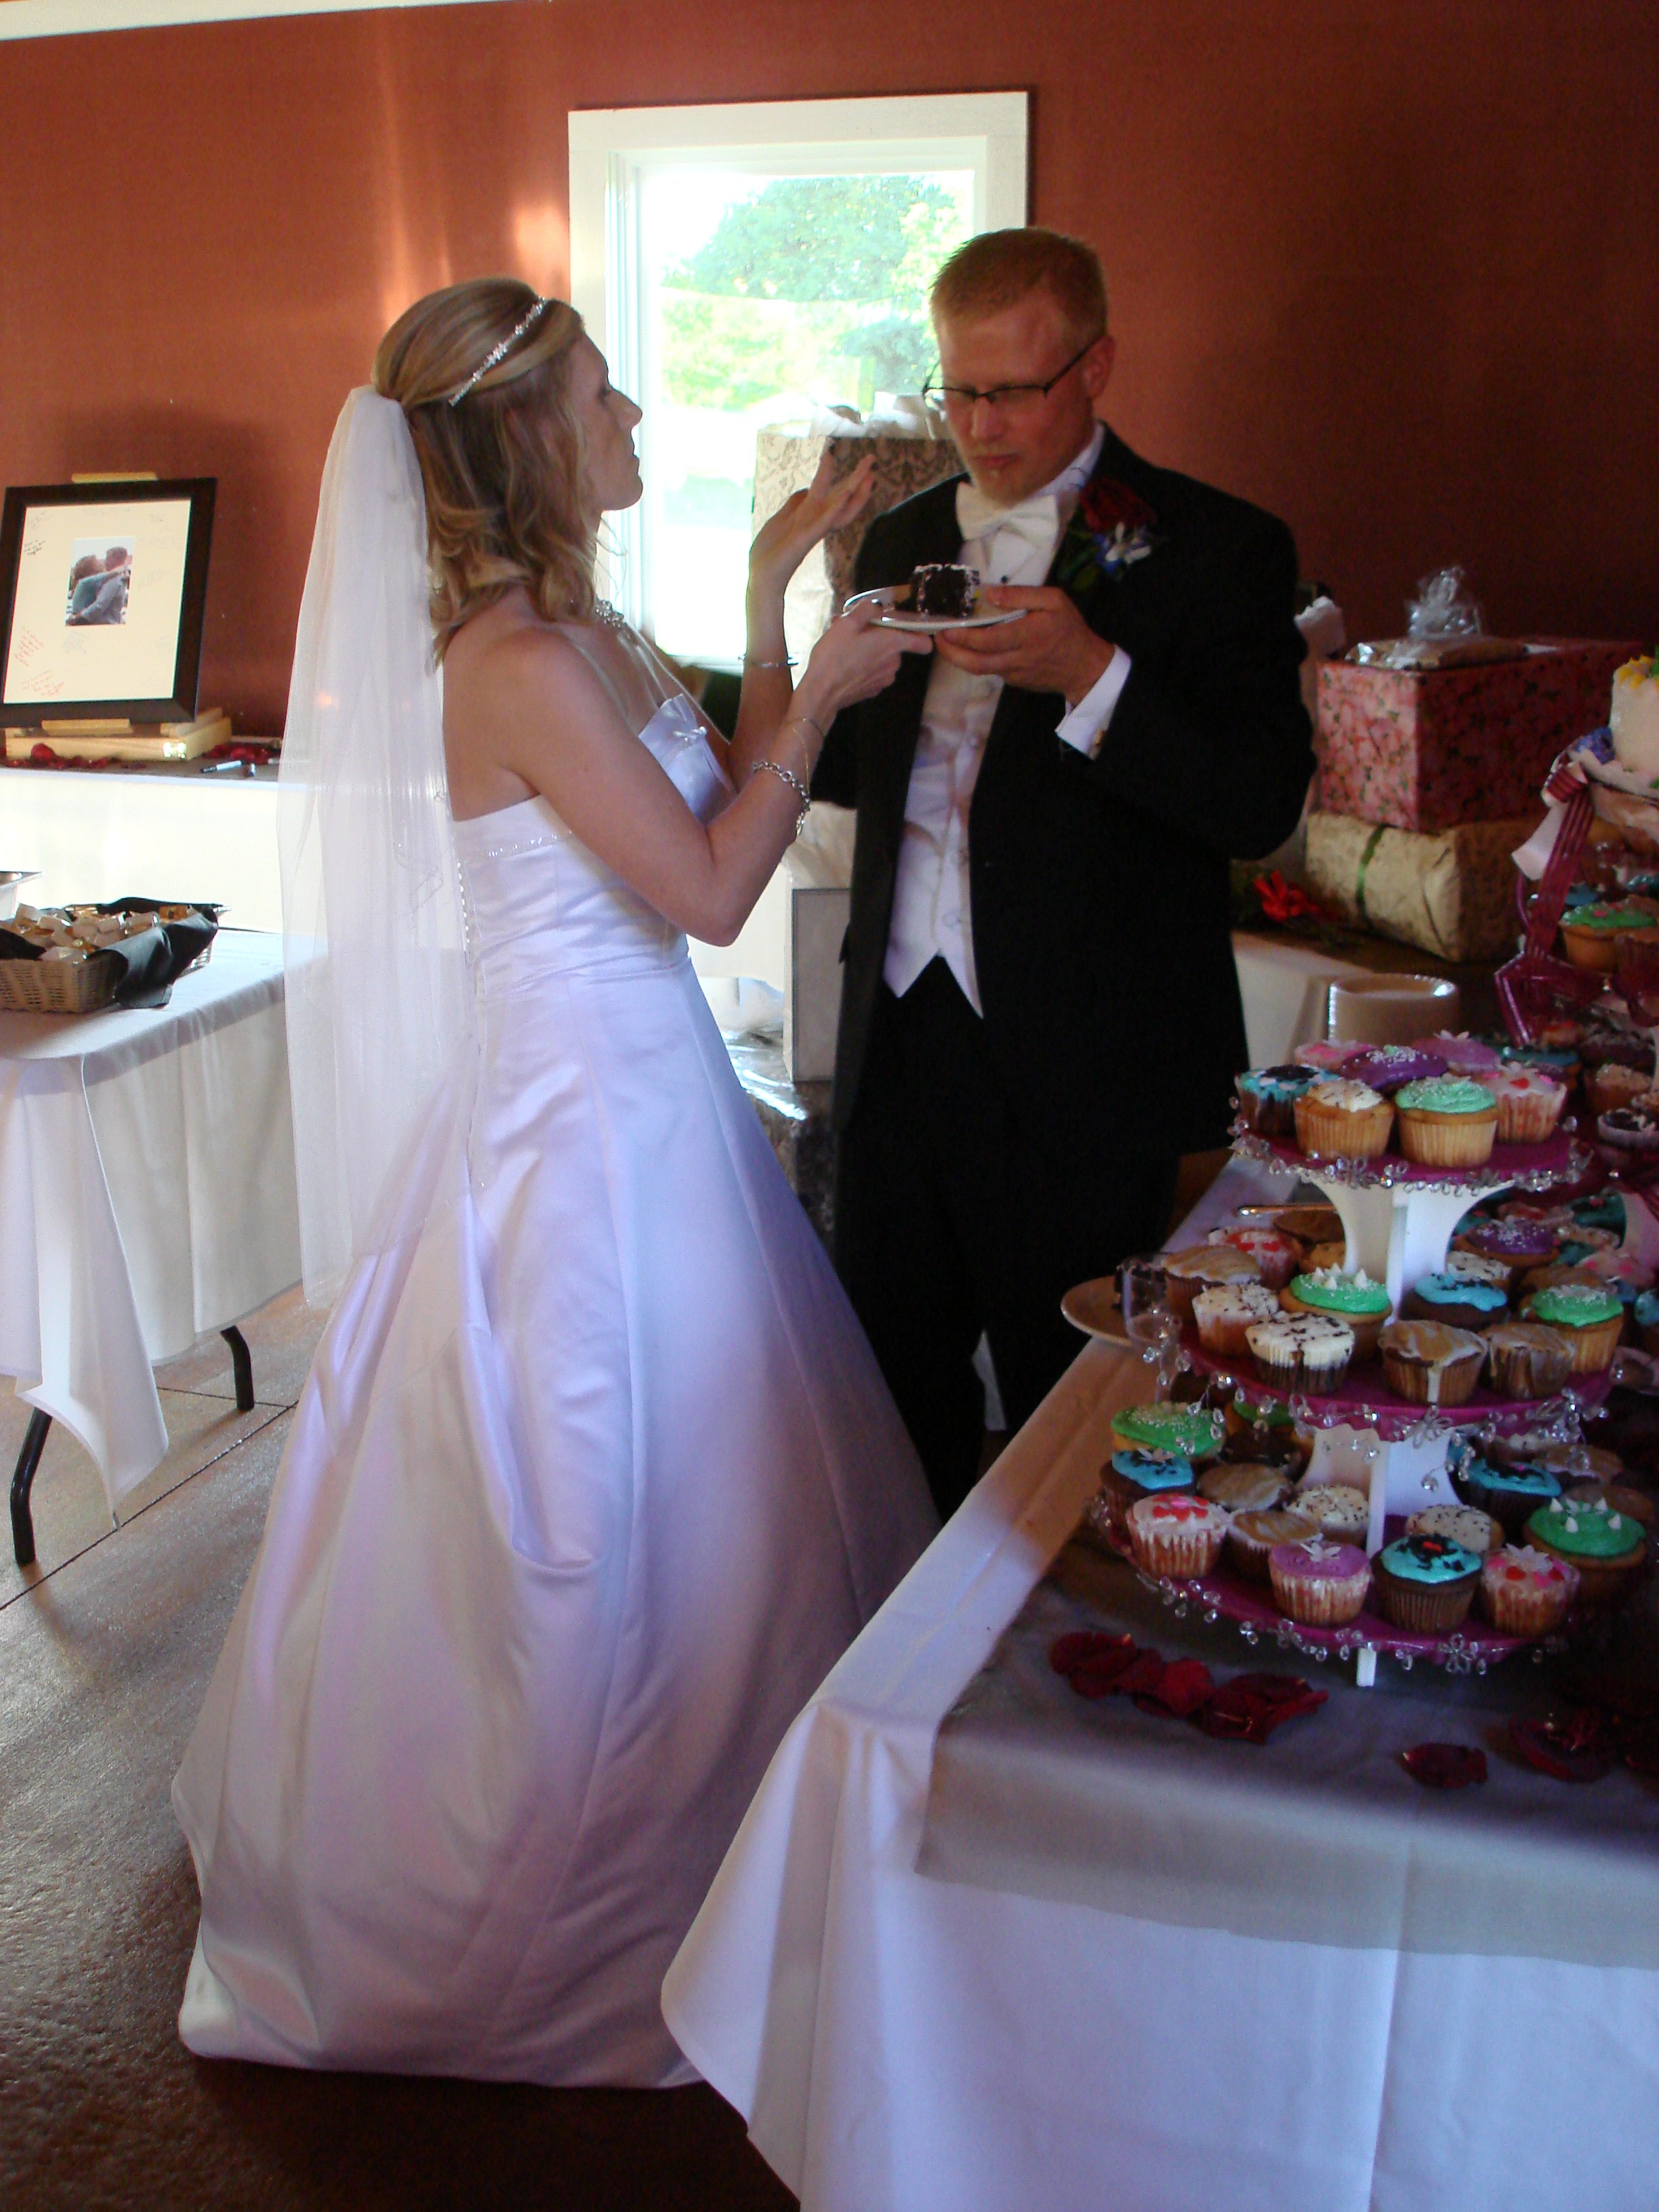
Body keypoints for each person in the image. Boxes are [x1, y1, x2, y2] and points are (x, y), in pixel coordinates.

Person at [171, 279, 937, 2087]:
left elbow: (719, 794)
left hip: (650, 1092)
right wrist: (831, 693)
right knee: (602, 1493)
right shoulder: (512, 665)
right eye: (604, 393)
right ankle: (567, 1895)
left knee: (730, 1469)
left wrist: (768, 603)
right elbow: (712, 892)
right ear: (523, 436)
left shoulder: (588, 629)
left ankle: (738, 1831)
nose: (636, 417)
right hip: (575, 1125)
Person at [813, 227, 1315, 1518]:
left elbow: (1260, 803)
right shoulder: (897, 540)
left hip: (1090, 1066)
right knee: (886, 1400)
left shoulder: (1217, 548)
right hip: (897, 1043)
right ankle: (904, 1628)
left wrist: (1094, 676)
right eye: (958, 390)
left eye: (1014, 391)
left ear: (1096, 367)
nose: (980, 426)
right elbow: (861, 769)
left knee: (1084, 1411)